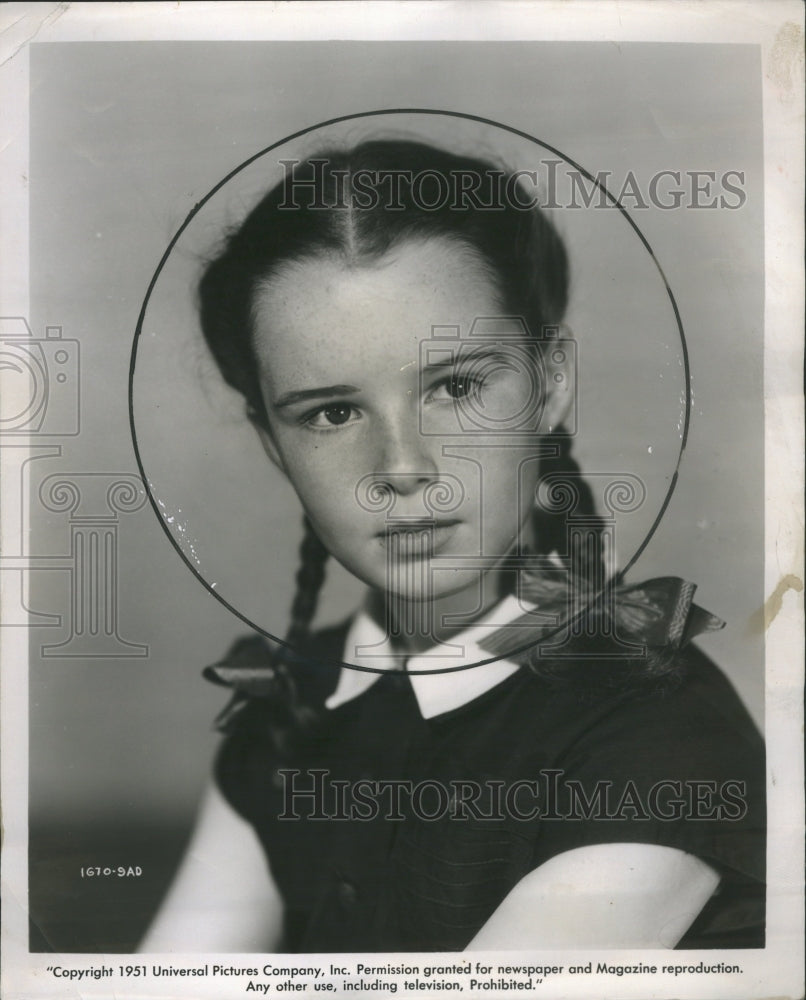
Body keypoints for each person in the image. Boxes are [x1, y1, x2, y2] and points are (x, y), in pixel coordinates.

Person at [139, 139, 765, 953]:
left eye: (457, 386)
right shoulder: (290, 714)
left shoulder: (656, 733)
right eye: (332, 413)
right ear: (270, 440)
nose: (402, 467)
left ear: (548, 385)